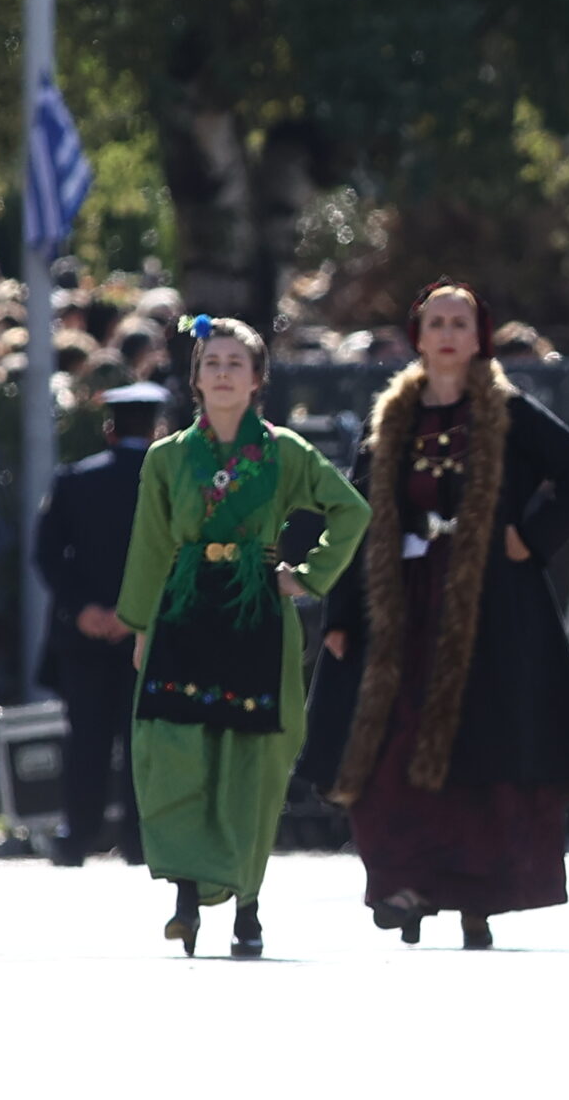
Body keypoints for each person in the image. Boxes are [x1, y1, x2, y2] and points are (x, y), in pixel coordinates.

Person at [303, 284, 569, 949]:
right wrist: (342, 611)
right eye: (436, 322)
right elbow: (358, 515)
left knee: (482, 743)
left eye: (459, 322)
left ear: (479, 336)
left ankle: (479, 890)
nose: (446, 333)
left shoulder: (506, 410)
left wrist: (529, 535)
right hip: (403, 606)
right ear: (418, 334)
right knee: (389, 743)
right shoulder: (391, 416)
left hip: (489, 607)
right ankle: (404, 883)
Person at [116, 315, 369, 958]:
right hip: (185, 606)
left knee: (253, 760)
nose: (222, 372)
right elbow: (149, 545)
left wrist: (308, 578)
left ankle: (248, 906)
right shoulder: (168, 456)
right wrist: (141, 624)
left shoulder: (286, 452)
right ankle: (183, 898)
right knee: (174, 746)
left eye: (236, 363)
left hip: (256, 609)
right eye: (212, 362)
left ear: (258, 379)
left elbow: (351, 510)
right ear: (195, 378)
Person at [32, 382, 168, 865]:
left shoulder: (74, 480)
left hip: (85, 630)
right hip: (145, 632)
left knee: (85, 734)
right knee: (142, 738)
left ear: (109, 429)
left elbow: (47, 554)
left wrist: (83, 608)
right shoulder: (164, 483)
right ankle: (139, 838)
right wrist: (137, 613)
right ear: (157, 429)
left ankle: (78, 834)